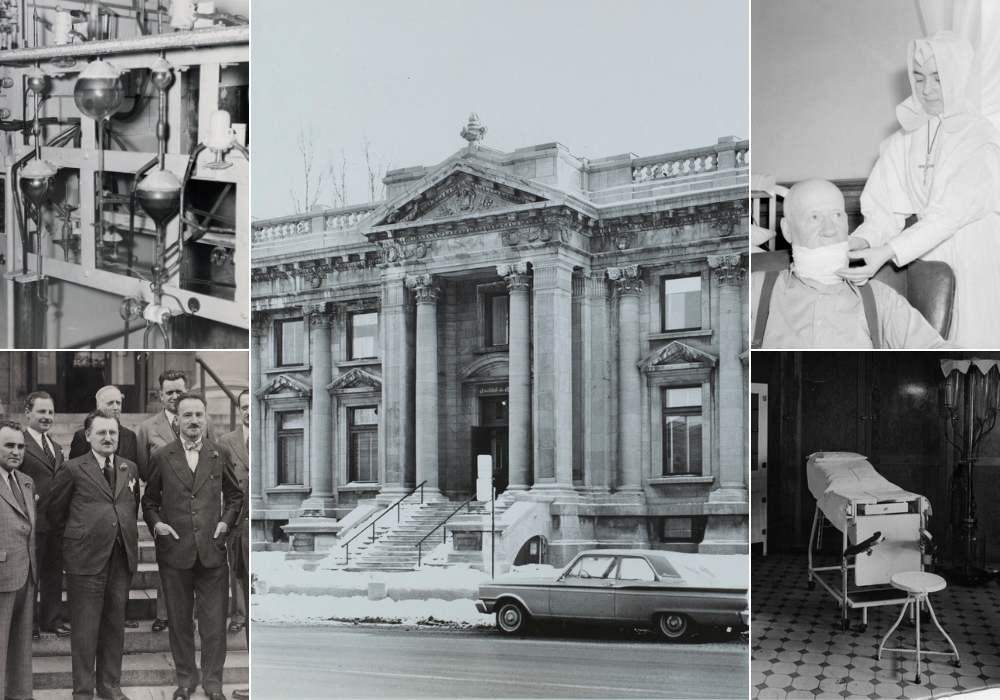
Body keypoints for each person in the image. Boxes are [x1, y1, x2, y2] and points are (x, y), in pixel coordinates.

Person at [839, 31, 1000, 347]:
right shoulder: (904, 139)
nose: (926, 90)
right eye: (919, 77)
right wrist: (858, 241)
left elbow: (950, 214)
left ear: (957, 76)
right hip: (923, 260)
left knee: (973, 345)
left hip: (973, 255)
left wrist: (887, 252)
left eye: (937, 78)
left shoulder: (980, 138)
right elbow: (884, 213)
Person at [750, 179, 954, 349]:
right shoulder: (756, 291)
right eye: (814, 217)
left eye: (837, 215)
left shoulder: (880, 299)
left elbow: (940, 353)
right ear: (787, 230)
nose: (830, 230)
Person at [142, 392, 243, 700]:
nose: (194, 420)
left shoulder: (220, 453)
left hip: (212, 552)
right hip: (176, 552)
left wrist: (226, 522)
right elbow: (149, 501)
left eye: (199, 414)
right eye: (187, 415)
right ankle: (186, 681)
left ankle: (213, 685)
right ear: (178, 421)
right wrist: (157, 524)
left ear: (206, 417)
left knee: (214, 626)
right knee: (180, 623)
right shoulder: (162, 456)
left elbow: (236, 496)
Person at [47, 409, 141, 700]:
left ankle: (110, 686)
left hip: (120, 556)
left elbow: (130, 506)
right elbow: (55, 512)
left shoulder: (129, 468)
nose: (108, 437)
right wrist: (79, 540)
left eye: (113, 432)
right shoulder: (73, 468)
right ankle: (83, 691)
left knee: (115, 627)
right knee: (85, 632)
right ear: (88, 436)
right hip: (85, 559)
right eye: (101, 432)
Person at [17, 390, 70, 638]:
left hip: (55, 523)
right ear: (28, 413)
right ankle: (31, 624)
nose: (47, 416)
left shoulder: (57, 447)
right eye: (41, 411)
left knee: (53, 574)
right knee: (31, 577)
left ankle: (52, 620)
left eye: (50, 412)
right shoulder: (20, 444)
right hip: (30, 522)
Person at [0, 421, 35, 700]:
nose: (16, 451)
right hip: (1, 573)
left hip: (26, 573)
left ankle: (19, 695)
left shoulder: (25, 481)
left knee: (20, 647)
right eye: (9, 445)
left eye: (20, 446)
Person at [219, 390, 250, 634]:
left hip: (257, 511)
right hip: (237, 514)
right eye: (244, 407)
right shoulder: (226, 441)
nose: (249, 412)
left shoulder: (269, 434)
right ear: (239, 410)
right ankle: (239, 615)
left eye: (252, 407)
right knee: (236, 567)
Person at [69, 386, 139, 464]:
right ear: (98, 406)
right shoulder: (82, 436)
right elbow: (74, 469)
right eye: (110, 403)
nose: (116, 407)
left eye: (118, 403)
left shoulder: (130, 436)